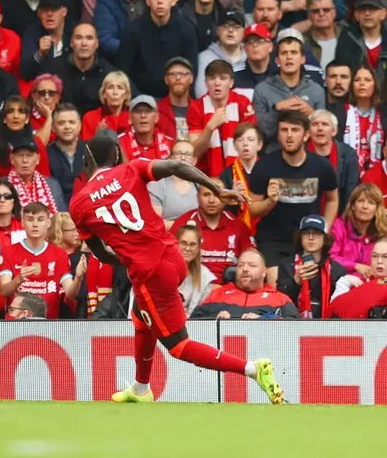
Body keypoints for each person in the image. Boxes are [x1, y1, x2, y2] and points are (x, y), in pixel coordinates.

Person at [69, 133, 284, 404]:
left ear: (85, 160)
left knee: (179, 345)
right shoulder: (131, 169)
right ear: (115, 156)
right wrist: (216, 188)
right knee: (140, 318)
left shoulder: (78, 205)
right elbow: (176, 166)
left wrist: (129, 257)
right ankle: (140, 388)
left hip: (151, 274)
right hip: (174, 257)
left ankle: (253, 369)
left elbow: (100, 252)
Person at [249, 110, 339, 266]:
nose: (289, 135)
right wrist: (270, 201)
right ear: (278, 135)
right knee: (278, 287)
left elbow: (332, 199)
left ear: (306, 135)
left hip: (308, 239)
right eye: (284, 130)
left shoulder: (322, 166)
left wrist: (324, 228)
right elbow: (252, 209)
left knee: (310, 286)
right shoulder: (264, 166)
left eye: (295, 130)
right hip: (273, 240)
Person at [117, 0, 199, 98]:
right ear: (148, 1)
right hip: (140, 97)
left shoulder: (186, 29)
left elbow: (191, 70)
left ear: (173, 0)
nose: (160, 1)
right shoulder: (133, 29)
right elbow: (123, 71)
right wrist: (139, 98)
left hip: (176, 96)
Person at [0, 201, 80, 318]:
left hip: (49, 325)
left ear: (48, 223)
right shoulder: (8, 252)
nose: (35, 224)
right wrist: (19, 280)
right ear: (22, 223)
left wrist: (78, 278)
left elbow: (70, 294)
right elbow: (4, 291)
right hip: (16, 324)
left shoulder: (59, 254)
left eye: (40, 219)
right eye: (30, 219)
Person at [252, 28, 327, 152]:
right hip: (273, 158)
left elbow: (323, 135)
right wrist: (276, 109)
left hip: (308, 158)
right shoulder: (262, 89)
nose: (289, 57)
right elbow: (260, 134)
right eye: (284, 53)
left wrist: (313, 115)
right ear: (276, 60)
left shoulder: (316, 90)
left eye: (293, 52)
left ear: (303, 59)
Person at [171, 182, 256, 279]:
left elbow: (252, 259)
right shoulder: (182, 224)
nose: (211, 200)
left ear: (225, 198)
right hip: (193, 286)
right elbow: (171, 261)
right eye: (206, 195)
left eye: (217, 195)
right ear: (197, 198)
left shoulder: (238, 226)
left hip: (230, 288)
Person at [189, 60, 257, 177]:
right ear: (206, 83)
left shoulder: (242, 103)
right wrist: (210, 127)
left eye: (223, 78)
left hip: (240, 171)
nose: (217, 83)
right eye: (212, 78)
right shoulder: (196, 107)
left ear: (231, 83)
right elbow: (194, 152)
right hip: (205, 176)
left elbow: (250, 145)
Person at [190, 248, 299, 318]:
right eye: (240, 265)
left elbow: (296, 329)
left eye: (252, 265)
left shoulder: (280, 299)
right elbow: (194, 324)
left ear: (264, 272)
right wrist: (215, 320)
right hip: (222, 351)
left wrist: (265, 320)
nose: (245, 269)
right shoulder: (217, 295)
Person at [41, 23, 120, 115]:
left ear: (97, 44)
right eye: (79, 38)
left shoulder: (109, 73)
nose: (84, 43)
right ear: (71, 43)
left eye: (89, 38)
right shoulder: (54, 68)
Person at [0, 96, 51, 183]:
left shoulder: (37, 143)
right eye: (10, 111)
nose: (15, 116)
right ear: (4, 118)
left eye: (21, 112)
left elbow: (45, 179)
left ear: (27, 119)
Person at [329, 183, 386, 278]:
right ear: (352, 206)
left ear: (377, 209)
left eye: (371, 203)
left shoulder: (382, 231)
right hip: (342, 282)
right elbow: (330, 257)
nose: (365, 206)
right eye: (360, 201)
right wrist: (355, 266)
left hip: (373, 283)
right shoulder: (338, 227)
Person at [335, 0, 387, 87]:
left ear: (383, 13)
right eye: (362, 10)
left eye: (372, 9)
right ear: (356, 15)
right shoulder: (346, 39)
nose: (367, 13)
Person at [340, 65, 384, 174]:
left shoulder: (383, 114)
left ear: (375, 85)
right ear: (351, 86)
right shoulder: (343, 111)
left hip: (378, 177)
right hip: (348, 173)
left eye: (367, 80)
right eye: (357, 80)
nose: (362, 83)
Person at [194, 10, 247, 98]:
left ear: (244, 32)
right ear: (217, 30)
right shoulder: (204, 59)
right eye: (225, 26)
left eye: (236, 27)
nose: (230, 30)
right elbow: (202, 95)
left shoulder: (251, 57)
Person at [147, 140, 199, 228]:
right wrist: (185, 227)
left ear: (194, 161)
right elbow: (155, 223)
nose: (183, 158)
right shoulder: (157, 184)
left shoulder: (200, 185)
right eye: (178, 153)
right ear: (170, 158)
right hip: (168, 237)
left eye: (188, 155)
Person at [174, 224, 217, 315]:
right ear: (175, 243)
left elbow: (201, 311)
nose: (188, 248)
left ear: (198, 248)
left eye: (193, 244)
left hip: (193, 324)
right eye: (183, 243)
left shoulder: (205, 276)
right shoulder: (163, 269)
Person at [47, 103, 85, 201]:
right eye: (61, 123)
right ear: (53, 127)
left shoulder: (91, 151)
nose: (67, 127)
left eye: (71, 122)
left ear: (80, 125)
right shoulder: (46, 154)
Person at [118, 95, 174, 161]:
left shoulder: (170, 144)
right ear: (130, 118)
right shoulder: (119, 143)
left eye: (148, 111)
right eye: (138, 111)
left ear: (156, 117)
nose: (143, 116)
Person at [80, 71, 130, 140]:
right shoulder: (89, 118)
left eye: (120, 87)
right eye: (110, 87)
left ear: (126, 95)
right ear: (104, 94)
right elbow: (85, 148)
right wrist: (97, 138)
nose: (115, 92)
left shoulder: (133, 119)